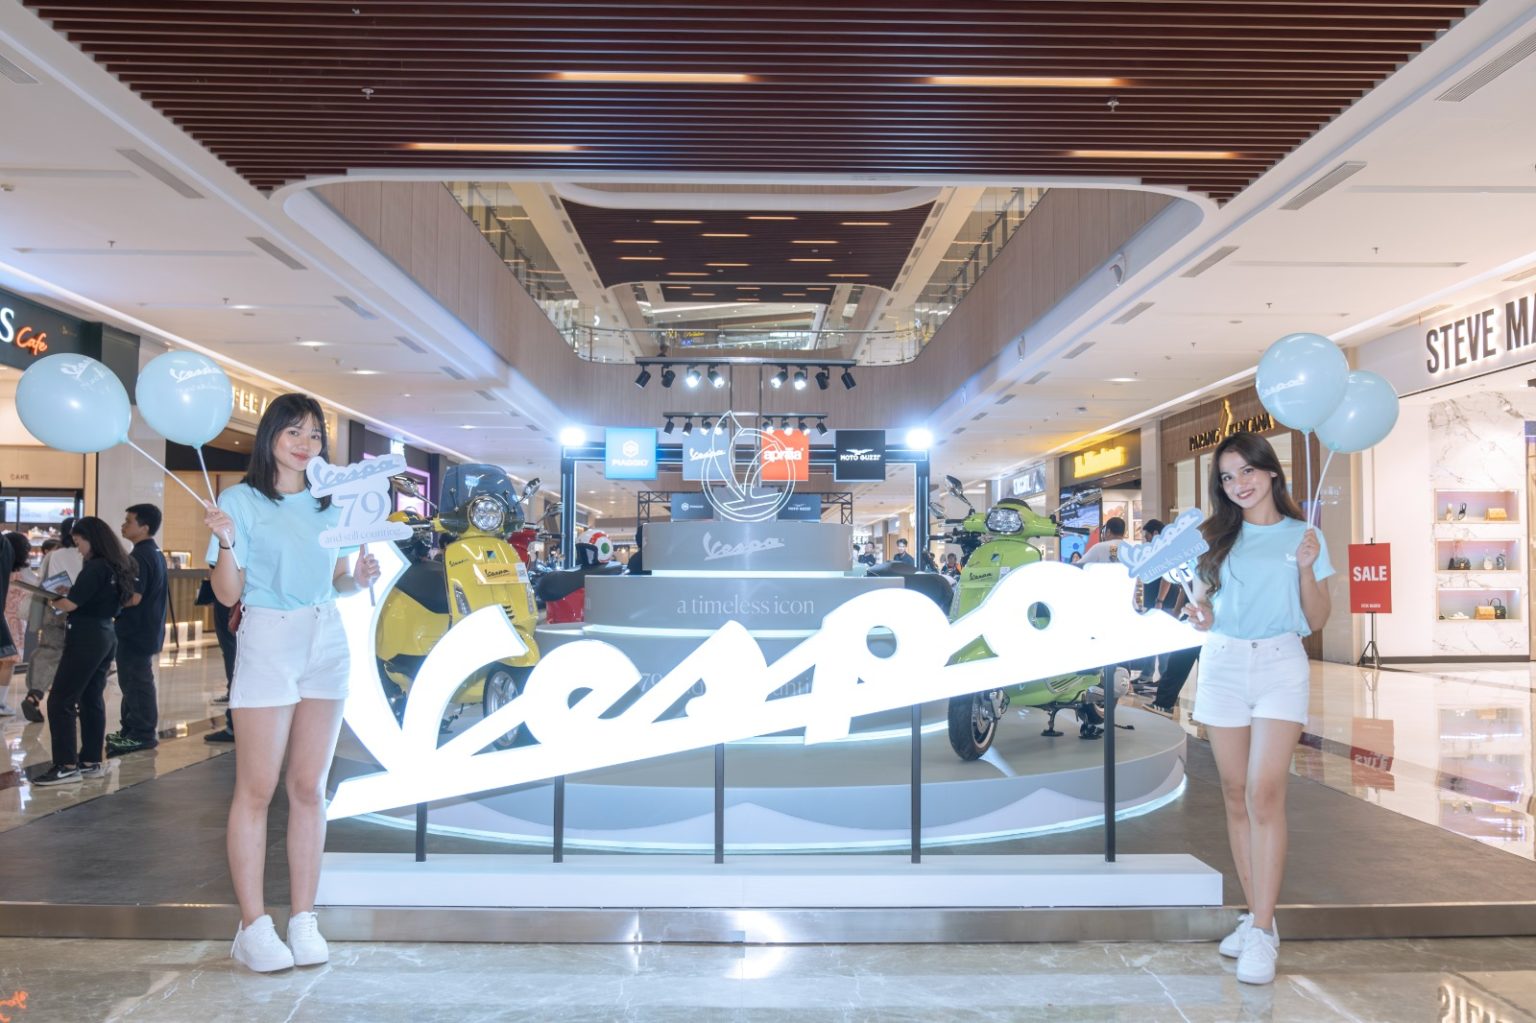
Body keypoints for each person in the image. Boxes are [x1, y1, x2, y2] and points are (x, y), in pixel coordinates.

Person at [204, 393, 379, 974]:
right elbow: (228, 593)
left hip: (326, 637)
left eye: (315, 434)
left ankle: (304, 917)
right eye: (294, 431)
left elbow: (337, 581)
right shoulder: (240, 501)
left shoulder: (334, 503)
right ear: (271, 435)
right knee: (256, 789)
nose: (306, 444)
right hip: (268, 638)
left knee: (309, 787)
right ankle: (253, 926)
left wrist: (358, 578)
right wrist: (225, 542)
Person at [1187, 431, 1333, 987]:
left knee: (1264, 792)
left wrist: (1305, 569)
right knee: (1233, 793)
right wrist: (1200, 617)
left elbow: (1317, 620)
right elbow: (1204, 609)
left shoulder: (1304, 536)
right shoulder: (1213, 538)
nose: (1239, 484)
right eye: (1228, 477)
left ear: (1271, 471)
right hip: (1223, 663)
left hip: (1280, 664)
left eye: (1247, 471)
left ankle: (1264, 928)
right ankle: (1256, 920)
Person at [31, 517, 137, 787]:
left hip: (86, 636)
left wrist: (52, 596)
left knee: (61, 700)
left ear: (92, 539)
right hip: (105, 634)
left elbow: (70, 605)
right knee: (91, 698)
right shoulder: (116, 565)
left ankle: (66, 766)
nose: (77, 548)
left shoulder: (96, 566)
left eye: (79, 541)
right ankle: (90, 761)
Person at [106, 504, 168, 756]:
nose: (123, 525)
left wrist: (104, 601)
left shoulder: (141, 556)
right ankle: (130, 729)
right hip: (144, 629)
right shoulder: (152, 552)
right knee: (131, 681)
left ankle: (142, 734)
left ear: (144, 527)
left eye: (129, 521)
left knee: (137, 681)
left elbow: (133, 597)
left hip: (137, 630)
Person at [20, 519, 83, 724]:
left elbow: (42, 583)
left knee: (49, 651)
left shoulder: (54, 555)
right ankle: (76, 700)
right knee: (80, 655)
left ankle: (34, 695)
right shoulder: (89, 556)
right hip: (82, 612)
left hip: (55, 609)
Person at [0, 532, 33, 715]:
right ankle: (0, 702)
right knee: (9, 661)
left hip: (3, 617)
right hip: (15, 620)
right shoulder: (22, 572)